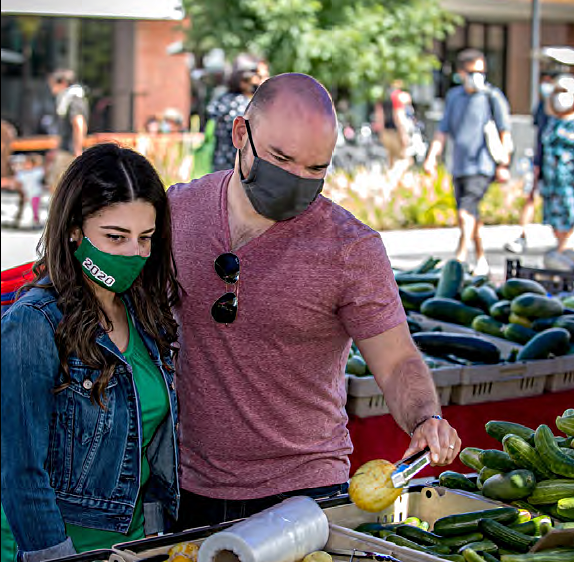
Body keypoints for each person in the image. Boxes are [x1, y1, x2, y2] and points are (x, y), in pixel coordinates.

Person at [167, 72, 461, 529]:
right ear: (241, 134)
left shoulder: (350, 247)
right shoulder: (177, 213)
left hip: (307, 489)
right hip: (190, 486)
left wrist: (424, 417)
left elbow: (397, 358)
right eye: (281, 159)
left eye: (315, 169)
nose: (296, 180)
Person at [1, 143, 181, 561]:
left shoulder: (145, 312)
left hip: (133, 547)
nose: (133, 253)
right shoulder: (33, 323)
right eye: (115, 237)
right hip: (53, 551)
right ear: (73, 230)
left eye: (146, 238)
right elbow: (20, 472)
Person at [424, 49, 513, 276]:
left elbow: (505, 132)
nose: (478, 76)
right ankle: (481, 258)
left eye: (481, 72)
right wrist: (432, 157)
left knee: (466, 211)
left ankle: (460, 258)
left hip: (482, 165)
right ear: (461, 72)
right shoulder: (454, 97)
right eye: (473, 71)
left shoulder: (492, 97)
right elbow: (442, 132)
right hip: (459, 165)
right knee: (470, 214)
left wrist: (504, 164)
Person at [505, 71, 557, 255]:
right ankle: (521, 234)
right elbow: (538, 133)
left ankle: (563, 244)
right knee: (530, 195)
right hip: (541, 158)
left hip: (562, 165)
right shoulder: (543, 106)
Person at [207, 53, 268, 172]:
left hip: (221, 173)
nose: (265, 80)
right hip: (238, 176)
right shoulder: (243, 106)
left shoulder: (224, 100)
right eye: (260, 76)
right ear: (246, 78)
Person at [537, 74, 574, 270]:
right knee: (554, 217)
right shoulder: (550, 121)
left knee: (569, 215)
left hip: (569, 182)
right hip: (552, 182)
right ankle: (561, 251)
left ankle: (565, 251)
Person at [45, 69, 89, 192]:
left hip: (69, 152)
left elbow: (78, 124)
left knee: (58, 189)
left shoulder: (73, 99)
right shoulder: (68, 100)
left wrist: (77, 150)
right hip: (66, 150)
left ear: (63, 83)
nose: (51, 88)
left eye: (53, 84)